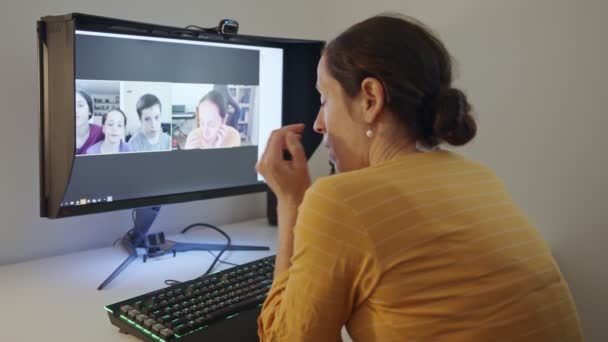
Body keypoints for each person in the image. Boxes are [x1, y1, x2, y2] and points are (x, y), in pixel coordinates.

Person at [256, 15, 583, 341]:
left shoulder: (339, 199)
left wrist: (292, 202)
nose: (318, 124)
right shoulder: (476, 177)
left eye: (325, 99)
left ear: (370, 99)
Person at [75, 89, 104, 155]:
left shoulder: (101, 132)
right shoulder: (58, 135)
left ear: (90, 111)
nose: (75, 110)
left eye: (80, 105)